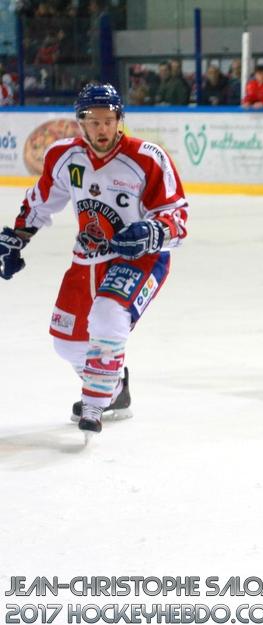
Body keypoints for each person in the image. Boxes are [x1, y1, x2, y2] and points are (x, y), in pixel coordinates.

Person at [0, 83, 188, 433]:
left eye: (109, 121)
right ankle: (114, 391)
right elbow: (42, 200)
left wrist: (153, 231)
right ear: (81, 122)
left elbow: (176, 214)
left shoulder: (147, 157)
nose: (102, 129)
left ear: (119, 120)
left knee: (107, 315)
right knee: (66, 343)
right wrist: (17, 238)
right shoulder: (64, 156)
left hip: (141, 259)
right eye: (94, 121)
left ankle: (93, 406)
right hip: (87, 259)